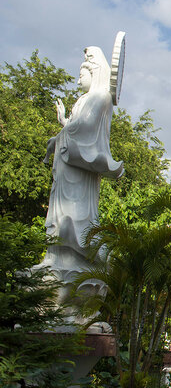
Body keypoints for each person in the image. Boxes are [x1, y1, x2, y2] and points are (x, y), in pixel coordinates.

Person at [43, 46, 123, 268]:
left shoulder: (101, 97)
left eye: (81, 75)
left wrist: (64, 132)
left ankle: (85, 264)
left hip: (80, 167)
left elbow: (85, 129)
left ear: (94, 73)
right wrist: (63, 127)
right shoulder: (84, 99)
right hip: (67, 167)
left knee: (76, 217)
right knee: (58, 216)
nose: (78, 82)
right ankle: (55, 259)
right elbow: (76, 129)